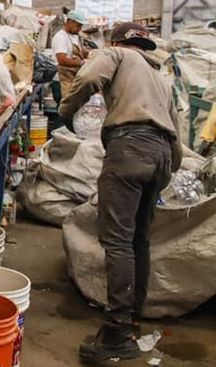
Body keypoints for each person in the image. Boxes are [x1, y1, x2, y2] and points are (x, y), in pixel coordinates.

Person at [59, 23, 182, 362]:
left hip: (129, 148)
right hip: (161, 156)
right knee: (139, 241)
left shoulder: (115, 54)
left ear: (116, 41)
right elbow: (176, 132)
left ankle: (116, 333)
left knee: (118, 242)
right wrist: (166, 168)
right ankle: (131, 321)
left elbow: (87, 78)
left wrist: (66, 110)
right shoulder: (161, 78)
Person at [51, 9, 89, 99]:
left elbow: (80, 52)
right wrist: (81, 63)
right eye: (78, 25)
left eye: (81, 26)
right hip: (62, 81)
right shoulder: (60, 37)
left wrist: (90, 54)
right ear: (69, 22)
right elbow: (62, 60)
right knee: (64, 105)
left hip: (72, 78)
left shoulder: (76, 36)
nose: (80, 28)